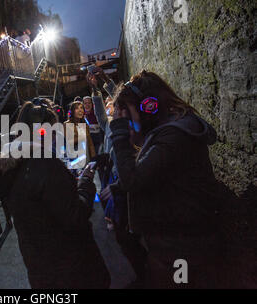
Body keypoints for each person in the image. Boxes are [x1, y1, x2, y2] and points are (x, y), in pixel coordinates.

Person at [107, 70, 224, 288]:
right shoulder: (169, 131)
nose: (127, 122)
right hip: (176, 244)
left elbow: (133, 181)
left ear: (148, 107)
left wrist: (120, 133)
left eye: (127, 114)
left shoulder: (175, 135)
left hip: (184, 250)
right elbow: (153, 174)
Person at [0, 102, 111, 289]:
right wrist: (85, 183)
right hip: (72, 270)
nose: (55, 135)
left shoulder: (12, 168)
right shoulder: (45, 164)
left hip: (41, 268)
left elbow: (42, 207)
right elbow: (76, 215)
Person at [87, 71, 147, 288]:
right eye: (110, 105)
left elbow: (124, 101)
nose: (111, 107)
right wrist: (94, 90)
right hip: (113, 178)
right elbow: (101, 113)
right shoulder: (110, 125)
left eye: (114, 104)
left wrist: (107, 83)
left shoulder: (131, 127)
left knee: (128, 227)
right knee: (117, 224)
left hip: (127, 181)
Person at [64, 101, 96, 172]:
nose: (80, 110)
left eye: (81, 108)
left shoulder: (85, 124)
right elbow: (69, 142)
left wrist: (93, 158)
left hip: (86, 157)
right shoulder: (67, 124)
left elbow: (90, 143)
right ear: (72, 111)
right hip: (75, 158)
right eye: (77, 108)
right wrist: (81, 137)